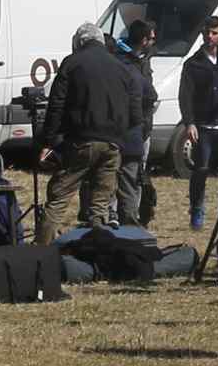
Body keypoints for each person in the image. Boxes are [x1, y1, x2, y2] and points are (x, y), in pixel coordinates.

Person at [37, 24, 140, 239]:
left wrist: (48, 141)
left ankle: (40, 251)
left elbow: (57, 105)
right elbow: (135, 112)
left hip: (82, 141)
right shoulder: (121, 67)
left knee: (59, 198)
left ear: (79, 42)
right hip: (114, 145)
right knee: (100, 206)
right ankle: (98, 254)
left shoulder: (72, 63)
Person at [179, 19, 218, 233]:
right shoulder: (193, 63)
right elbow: (185, 96)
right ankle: (197, 209)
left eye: (215, 33)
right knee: (201, 170)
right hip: (204, 126)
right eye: (207, 33)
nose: (210, 37)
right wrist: (189, 123)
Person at [117, 18, 162, 228]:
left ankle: (131, 216)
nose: (154, 41)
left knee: (135, 175)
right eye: (152, 38)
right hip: (133, 130)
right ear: (144, 40)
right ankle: (129, 220)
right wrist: (141, 123)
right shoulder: (128, 63)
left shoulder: (142, 59)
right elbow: (149, 96)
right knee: (130, 178)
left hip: (138, 127)